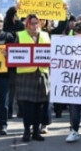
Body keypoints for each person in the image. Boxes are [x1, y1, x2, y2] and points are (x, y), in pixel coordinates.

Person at [16, 13, 50, 143]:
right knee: (28, 107)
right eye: (32, 23)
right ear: (27, 25)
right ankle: (26, 131)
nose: (35, 26)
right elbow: (13, 53)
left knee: (40, 106)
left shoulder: (46, 36)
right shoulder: (20, 36)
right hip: (26, 75)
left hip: (42, 74)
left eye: (37, 23)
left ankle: (36, 132)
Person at [0, 13, 16, 136]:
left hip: (3, 74)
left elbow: (16, 54)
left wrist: (9, 55)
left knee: (3, 103)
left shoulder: (9, 36)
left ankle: (3, 125)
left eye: (1, 21)